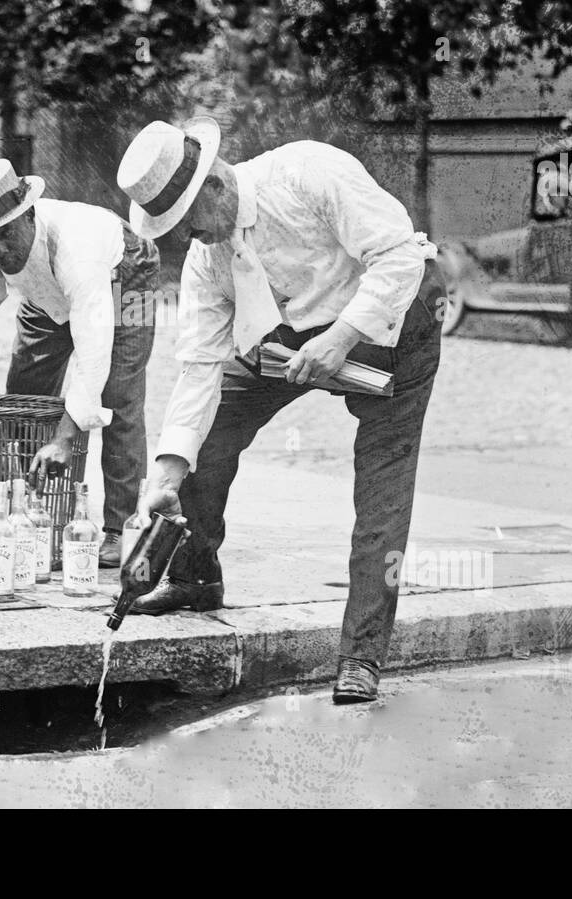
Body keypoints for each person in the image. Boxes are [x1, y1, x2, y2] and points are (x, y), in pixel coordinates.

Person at [115, 119, 444, 704]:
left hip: (393, 324)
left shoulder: (307, 172)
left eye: (190, 221)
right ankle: (196, 576)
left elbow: (399, 256)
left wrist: (341, 338)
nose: (192, 237)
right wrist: (165, 474)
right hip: (289, 338)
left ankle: (362, 655)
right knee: (209, 437)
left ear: (215, 183)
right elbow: (198, 367)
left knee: (381, 492)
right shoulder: (206, 258)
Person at [0, 158, 158, 566]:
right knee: (24, 394)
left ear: (29, 215)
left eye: (6, 236)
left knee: (119, 397)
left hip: (127, 273)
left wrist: (64, 438)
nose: (0, 251)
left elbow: (94, 353)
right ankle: (30, 510)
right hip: (45, 295)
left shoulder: (78, 251)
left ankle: (120, 527)